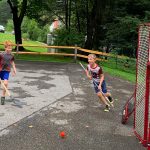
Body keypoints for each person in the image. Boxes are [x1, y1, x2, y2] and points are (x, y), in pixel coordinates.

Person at [0, 40, 16, 105]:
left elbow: (12, 62)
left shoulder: (12, 55)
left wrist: (14, 69)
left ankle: (3, 97)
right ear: (5, 48)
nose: (10, 49)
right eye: (8, 48)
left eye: (11, 48)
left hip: (6, 70)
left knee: (5, 83)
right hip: (0, 70)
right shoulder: (1, 55)